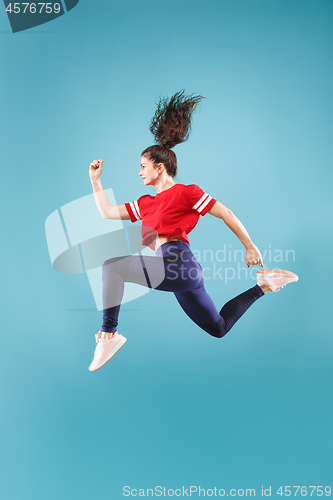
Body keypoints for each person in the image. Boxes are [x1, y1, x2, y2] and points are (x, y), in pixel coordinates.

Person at [88, 90, 298, 372]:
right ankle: (265, 284)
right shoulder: (146, 204)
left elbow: (226, 213)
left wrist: (250, 245)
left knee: (112, 268)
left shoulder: (187, 193)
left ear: (159, 168)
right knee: (219, 328)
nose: (139, 173)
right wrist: (95, 181)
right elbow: (108, 213)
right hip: (177, 273)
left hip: (179, 265)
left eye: (143, 167)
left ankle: (108, 335)